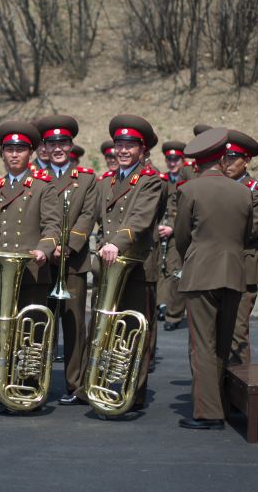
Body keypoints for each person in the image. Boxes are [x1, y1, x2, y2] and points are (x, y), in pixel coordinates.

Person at [0, 121, 59, 408]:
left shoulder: (44, 187)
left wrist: (44, 250)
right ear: (2, 154)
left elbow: (53, 228)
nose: (14, 155)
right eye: (9, 149)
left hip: (32, 272)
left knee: (30, 335)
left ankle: (28, 387)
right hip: (0, 274)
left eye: (20, 149)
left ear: (30, 154)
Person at [174, 126, 255, 431]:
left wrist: (193, 256)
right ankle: (223, 402)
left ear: (198, 163)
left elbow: (182, 236)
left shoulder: (189, 190)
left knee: (202, 345)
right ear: (222, 159)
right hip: (234, 271)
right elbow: (246, 234)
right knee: (225, 342)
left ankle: (208, 412)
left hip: (201, 272)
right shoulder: (244, 191)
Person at [85, 115, 167, 412]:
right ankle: (101, 383)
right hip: (108, 266)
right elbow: (93, 216)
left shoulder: (150, 181)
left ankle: (133, 392)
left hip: (136, 266)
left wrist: (114, 244)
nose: (122, 150)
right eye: (119, 144)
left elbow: (140, 220)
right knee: (104, 330)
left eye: (130, 145)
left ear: (143, 151)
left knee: (134, 330)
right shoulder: (106, 181)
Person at [35, 115, 97, 406]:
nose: (58, 148)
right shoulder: (34, 177)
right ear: (44, 147)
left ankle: (76, 385)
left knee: (74, 326)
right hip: (41, 263)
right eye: (52, 143)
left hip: (72, 264)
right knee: (40, 324)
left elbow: (88, 216)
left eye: (63, 142)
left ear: (71, 145)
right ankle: (37, 382)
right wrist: (49, 247)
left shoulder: (85, 178)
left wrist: (68, 246)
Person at [220, 130, 258, 366]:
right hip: (217, 267)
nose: (227, 163)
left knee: (237, 334)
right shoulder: (216, 186)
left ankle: (240, 392)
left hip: (242, 268)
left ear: (247, 160)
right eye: (224, 157)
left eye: (233, 158)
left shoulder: (257, 191)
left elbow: (251, 230)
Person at [156, 140, 192, 331]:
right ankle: (161, 305)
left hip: (178, 232)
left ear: (182, 159)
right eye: (169, 159)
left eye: (175, 158)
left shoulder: (188, 179)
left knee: (174, 270)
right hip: (160, 230)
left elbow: (185, 209)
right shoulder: (163, 179)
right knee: (160, 269)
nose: (172, 162)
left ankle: (173, 311)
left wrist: (171, 227)